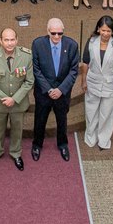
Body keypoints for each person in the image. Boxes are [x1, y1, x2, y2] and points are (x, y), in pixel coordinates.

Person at [0, 28, 34, 171]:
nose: (10, 43)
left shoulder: (26, 56)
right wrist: (4, 98)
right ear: (0, 41)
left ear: (17, 40)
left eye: (12, 40)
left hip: (18, 104)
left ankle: (16, 153)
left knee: (17, 130)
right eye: (6, 40)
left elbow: (29, 81)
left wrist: (14, 99)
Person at [31, 18, 80, 162]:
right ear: (47, 31)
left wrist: (60, 89)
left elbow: (73, 71)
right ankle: (37, 145)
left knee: (62, 120)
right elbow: (36, 69)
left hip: (62, 94)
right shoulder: (38, 44)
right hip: (43, 93)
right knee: (40, 120)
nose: (57, 37)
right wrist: (48, 89)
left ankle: (63, 144)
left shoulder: (72, 45)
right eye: (53, 33)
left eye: (60, 33)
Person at [80, 16, 113, 150]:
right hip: (93, 82)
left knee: (107, 114)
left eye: (109, 31)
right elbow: (85, 62)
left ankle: (103, 140)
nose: (105, 34)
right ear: (98, 29)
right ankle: (90, 137)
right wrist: (83, 80)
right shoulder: (91, 42)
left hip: (111, 85)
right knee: (91, 112)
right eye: (103, 30)